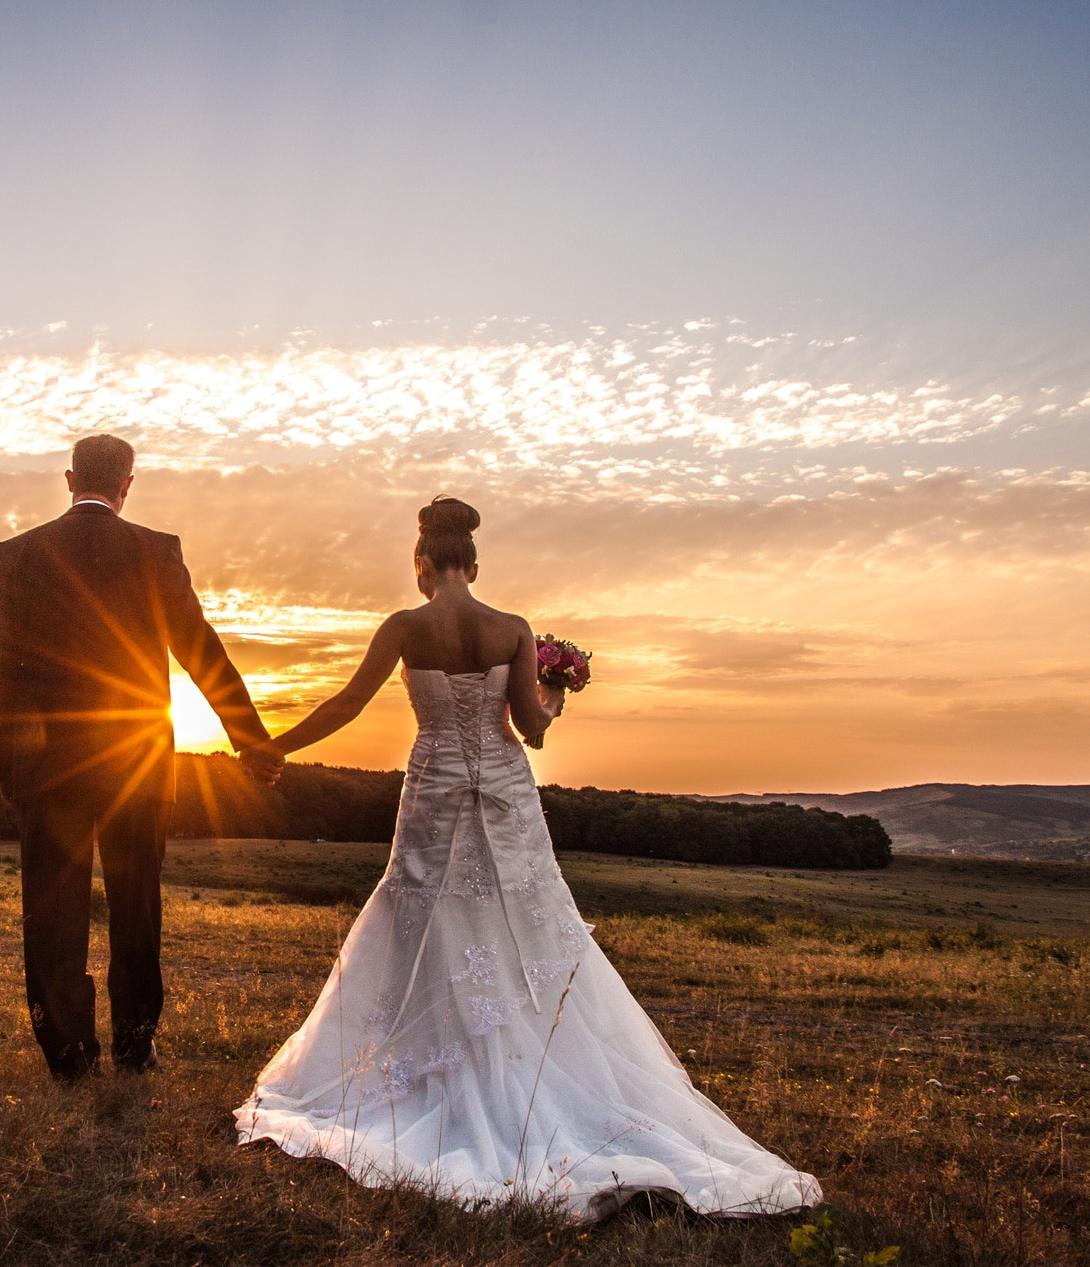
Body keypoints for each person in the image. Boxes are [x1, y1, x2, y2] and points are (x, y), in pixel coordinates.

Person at [234, 496, 822, 1218]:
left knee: (422, 921)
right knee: (522, 926)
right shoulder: (509, 628)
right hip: (508, 798)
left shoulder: (404, 627)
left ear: (423, 564)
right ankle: (524, 1064)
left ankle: (427, 1068)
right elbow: (533, 731)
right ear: (472, 564)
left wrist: (274, 747)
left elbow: (348, 704)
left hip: (435, 793)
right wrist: (554, 694)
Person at [0, 434, 277, 1080]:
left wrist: (6, 765)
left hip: (50, 767)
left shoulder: (18, 554)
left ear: (69, 479)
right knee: (137, 908)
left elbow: (0, 668)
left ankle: (68, 1054)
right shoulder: (155, 550)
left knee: (53, 914)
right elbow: (201, 648)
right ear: (127, 485)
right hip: (139, 763)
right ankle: (135, 1043)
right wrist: (250, 738)